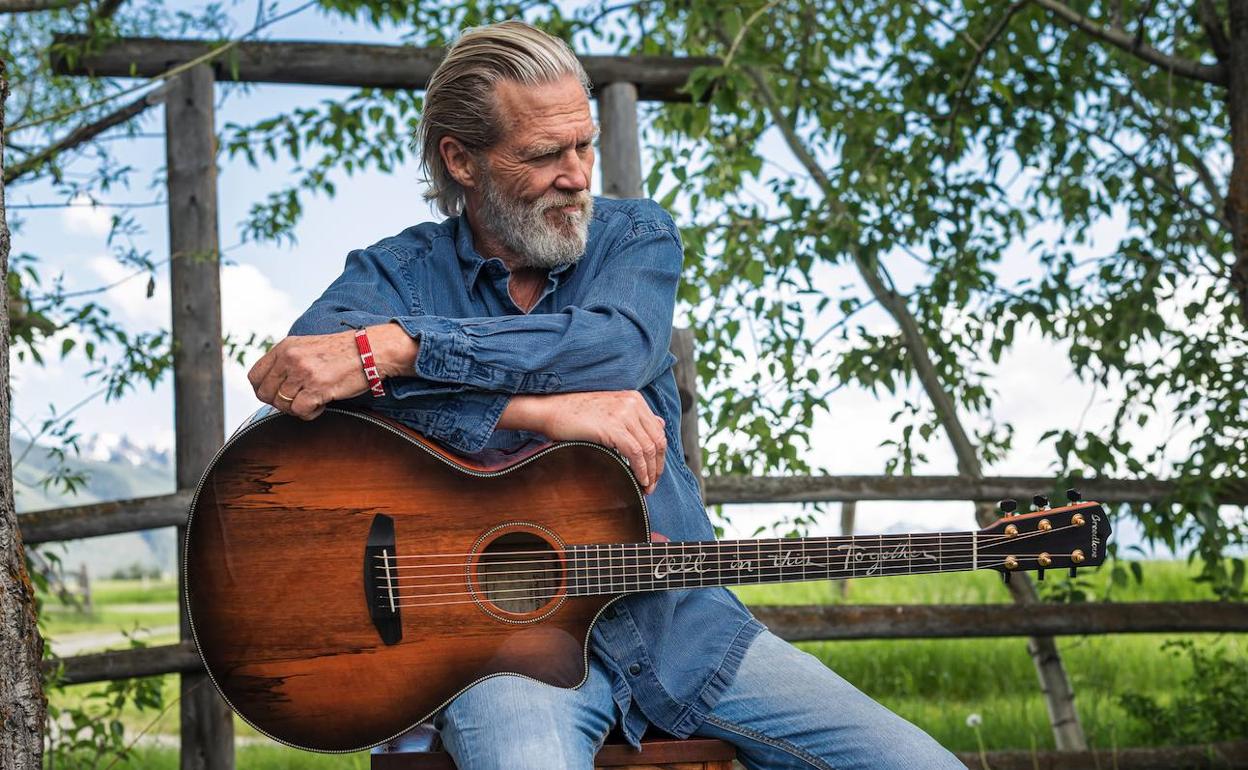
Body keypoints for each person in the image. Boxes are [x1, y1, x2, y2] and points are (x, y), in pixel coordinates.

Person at [246, 20, 964, 770]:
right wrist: (533, 411)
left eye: (584, 145)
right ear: (461, 159)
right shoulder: (395, 275)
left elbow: (617, 346)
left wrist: (407, 348)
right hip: (499, 656)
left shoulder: (635, 238)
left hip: (682, 629)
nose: (579, 175)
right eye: (544, 154)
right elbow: (303, 392)